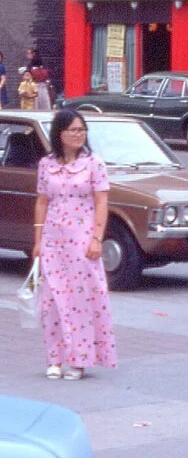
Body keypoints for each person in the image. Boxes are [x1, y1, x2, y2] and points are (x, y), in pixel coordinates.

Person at [32, 110, 117, 380]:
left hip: (82, 240)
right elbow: (42, 201)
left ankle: (79, 359)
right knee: (52, 301)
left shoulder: (94, 164)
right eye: (72, 130)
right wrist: (37, 241)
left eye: (82, 130)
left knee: (81, 299)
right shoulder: (46, 165)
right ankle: (55, 358)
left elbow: (102, 202)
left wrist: (96, 239)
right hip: (53, 241)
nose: (78, 134)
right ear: (60, 134)